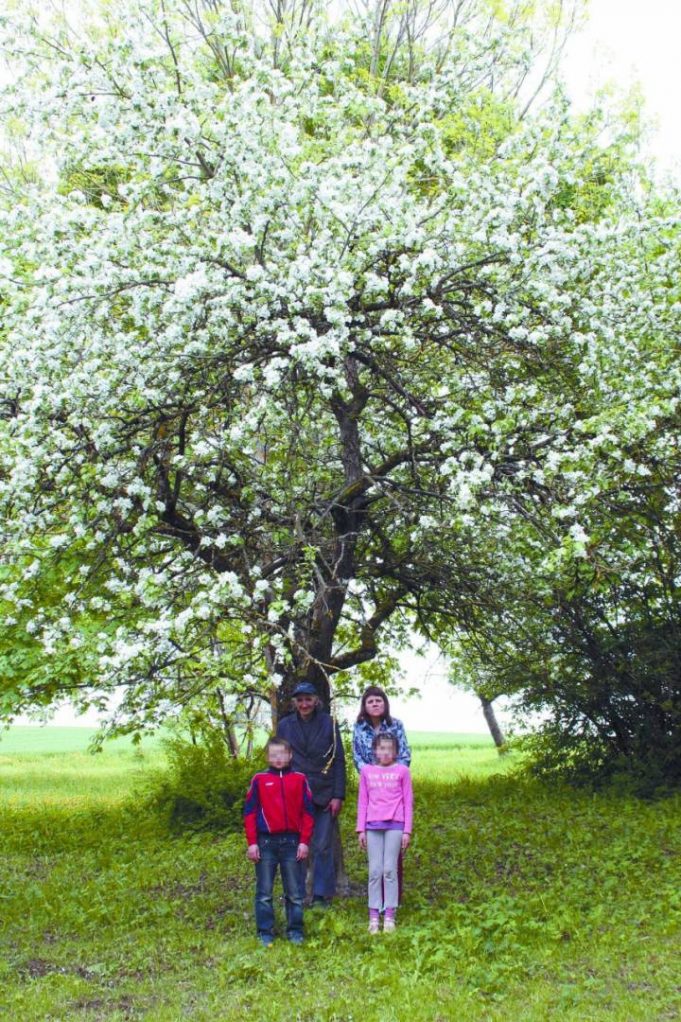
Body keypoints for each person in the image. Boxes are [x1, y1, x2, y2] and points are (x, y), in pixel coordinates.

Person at [276, 681, 346, 907]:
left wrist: (338, 795)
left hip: (324, 794)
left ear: (316, 700)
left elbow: (339, 761)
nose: (304, 704)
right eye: (300, 700)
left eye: (308, 699)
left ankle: (320, 895)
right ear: (295, 703)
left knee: (323, 846)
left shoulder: (329, 723)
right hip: (294, 794)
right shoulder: (285, 726)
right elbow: (279, 759)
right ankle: (296, 893)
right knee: (296, 845)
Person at [243, 736, 315, 946]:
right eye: (273, 755)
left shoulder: (300, 779)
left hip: (292, 842)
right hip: (265, 843)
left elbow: (308, 813)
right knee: (264, 891)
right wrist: (252, 842)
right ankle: (265, 932)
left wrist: (304, 841)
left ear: (290, 755)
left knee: (294, 891)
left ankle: (295, 930)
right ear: (267, 756)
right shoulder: (259, 780)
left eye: (282, 754)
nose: (278, 759)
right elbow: (249, 812)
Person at [356, 733, 413, 933]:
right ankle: (373, 916)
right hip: (372, 825)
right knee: (375, 871)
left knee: (390, 871)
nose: (386, 752)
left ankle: (389, 915)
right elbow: (363, 801)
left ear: (396, 752)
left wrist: (407, 830)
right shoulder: (367, 771)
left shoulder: (403, 771)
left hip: (395, 825)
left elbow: (408, 801)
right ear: (375, 751)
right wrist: (360, 828)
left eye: (390, 749)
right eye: (382, 748)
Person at [352, 685, 411, 771]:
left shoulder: (396, 725)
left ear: (385, 704)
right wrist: (372, 774)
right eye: (370, 702)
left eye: (378, 701)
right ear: (364, 707)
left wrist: (393, 774)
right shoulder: (359, 727)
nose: (375, 704)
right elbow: (357, 756)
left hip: (394, 778)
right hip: (370, 779)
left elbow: (405, 755)